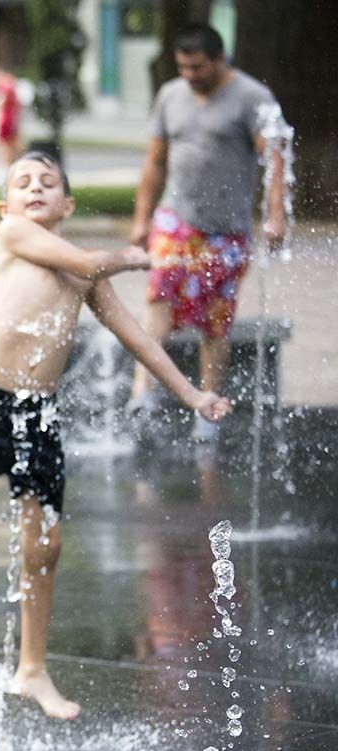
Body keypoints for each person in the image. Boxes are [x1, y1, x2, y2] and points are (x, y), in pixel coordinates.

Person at [0, 152, 232, 720]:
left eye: (48, 182)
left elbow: (137, 338)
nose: (35, 188)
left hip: (37, 416)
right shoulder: (13, 234)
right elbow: (90, 257)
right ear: (8, 205)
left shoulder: (83, 278)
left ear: (67, 204)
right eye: (23, 183)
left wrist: (192, 395)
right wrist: (134, 256)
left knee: (46, 548)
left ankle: (32, 670)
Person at [127, 23, 287, 440]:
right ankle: (142, 393)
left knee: (216, 320)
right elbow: (155, 162)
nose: (190, 75)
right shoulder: (171, 96)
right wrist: (141, 219)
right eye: (183, 67)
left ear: (219, 60)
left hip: (226, 231)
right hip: (176, 220)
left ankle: (207, 406)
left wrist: (275, 216)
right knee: (159, 292)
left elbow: (274, 159)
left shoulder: (251, 98)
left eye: (197, 67)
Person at [0, 68, 23, 166]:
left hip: (6, 119)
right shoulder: (12, 88)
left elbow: (2, 101)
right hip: (12, 119)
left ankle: (7, 163)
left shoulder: (5, 87)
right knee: (12, 143)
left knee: (5, 144)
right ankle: (14, 162)